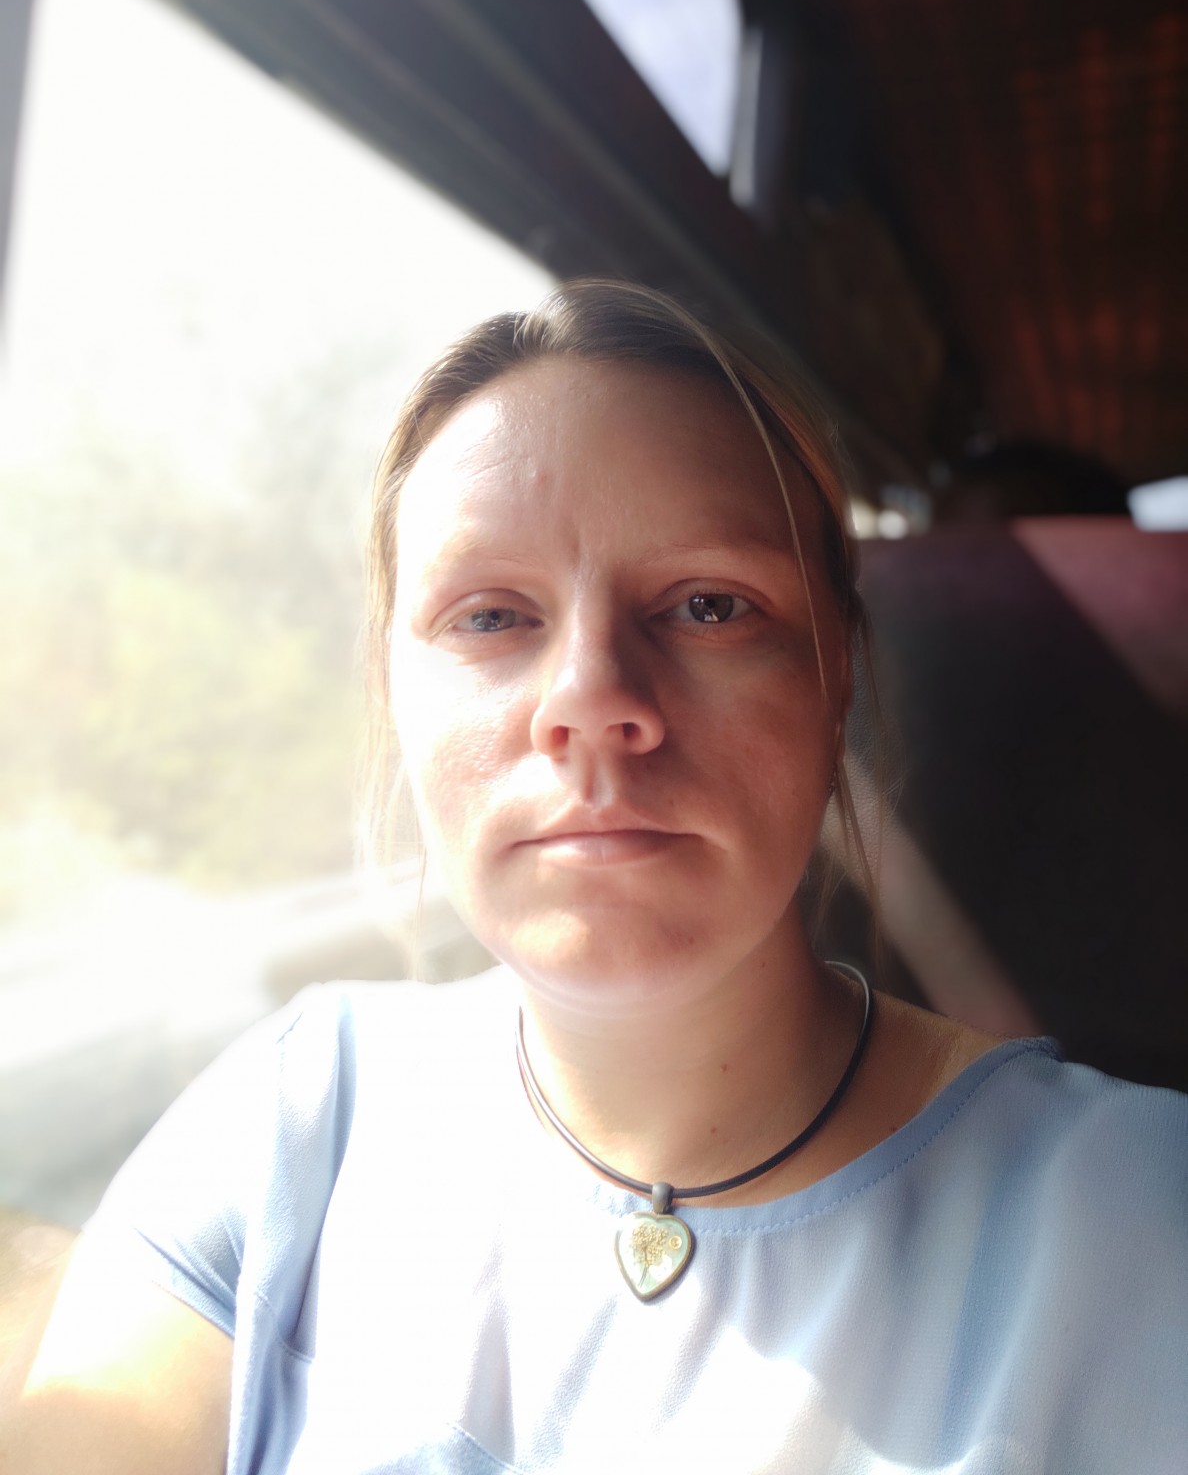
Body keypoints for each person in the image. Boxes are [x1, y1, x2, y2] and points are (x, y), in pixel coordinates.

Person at [2, 280, 1185, 1473]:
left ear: (838, 678)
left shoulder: (1141, 1219)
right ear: (394, 692)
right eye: (489, 617)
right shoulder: (290, 1123)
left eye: (709, 606)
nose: (591, 699)